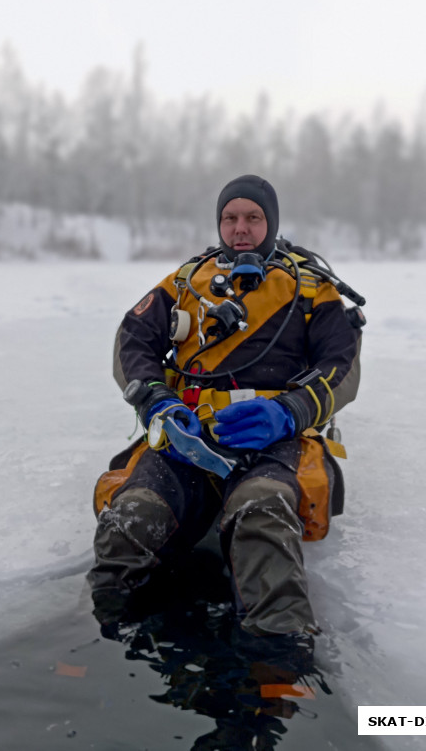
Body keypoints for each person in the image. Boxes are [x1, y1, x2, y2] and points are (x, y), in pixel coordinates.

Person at [88, 174, 363, 640]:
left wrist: (291, 411)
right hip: (188, 435)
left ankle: (277, 669)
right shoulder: (187, 281)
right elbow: (132, 339)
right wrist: (157, 400)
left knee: (261, 511)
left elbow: (343, 364)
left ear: (271, 222)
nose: (241, 228)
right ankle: (97, 642)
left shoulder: (312, 288)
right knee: (132, 517)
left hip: (276, 439)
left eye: (253, 218)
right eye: (230, 218)